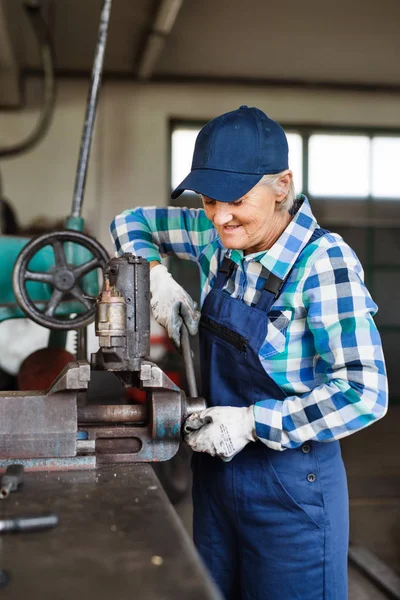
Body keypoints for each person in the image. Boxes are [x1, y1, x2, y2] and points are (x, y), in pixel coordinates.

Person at [110, 106, 388, 600]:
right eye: (208, 199)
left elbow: (365, 393)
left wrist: (251, 423)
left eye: (236, 199)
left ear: (282, 184)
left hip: (292, 494)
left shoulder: (324, 264)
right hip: (215, 482)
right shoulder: (217, 240)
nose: (220, 216)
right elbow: (129, 223)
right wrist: (156, 278)